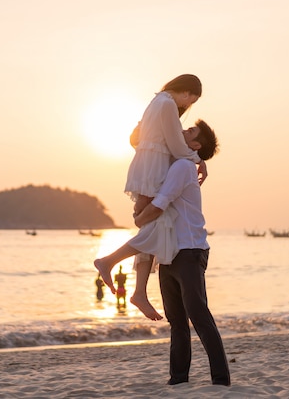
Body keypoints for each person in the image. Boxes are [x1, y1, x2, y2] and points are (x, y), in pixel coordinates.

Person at [134, 130, 230, 386]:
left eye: (191, 131)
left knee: (199, 315)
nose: (183, 130)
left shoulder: (183, 167)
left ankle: (221, 380)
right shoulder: (181, 163)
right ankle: (178, 379)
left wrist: (139, 219)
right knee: (176, 321)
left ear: (196, 144)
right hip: (169, 253)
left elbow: (162, 202)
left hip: (189, 251)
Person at [94, 118, 216, 320]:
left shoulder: (174, 139)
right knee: (152, 228)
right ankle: (114, 268)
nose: (184, 130)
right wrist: (198, 159)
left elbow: (180, 150)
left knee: (153, 231)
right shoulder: (165, 121)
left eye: (190, 131)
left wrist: (199, 159)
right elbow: (135, 139)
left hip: (152, 182)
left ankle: (134, 287)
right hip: (150, 181)